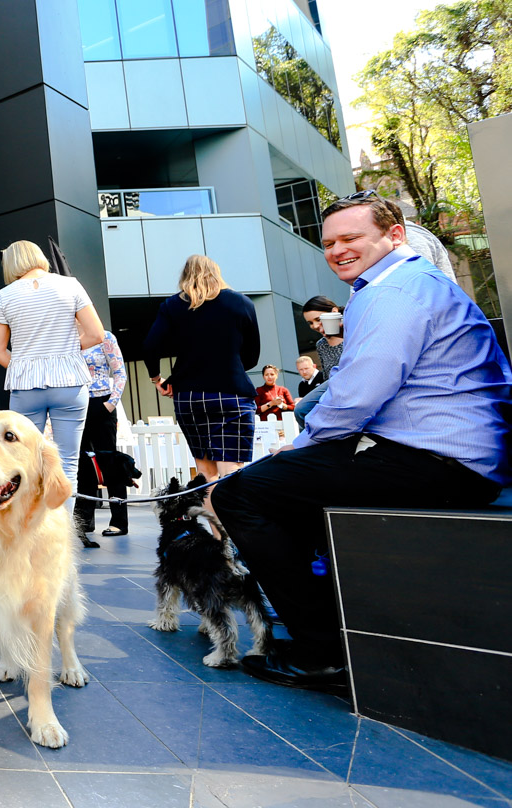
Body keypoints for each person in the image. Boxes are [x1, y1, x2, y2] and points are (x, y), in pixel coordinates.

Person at [213, 191, 511, 694]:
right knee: (281, 491)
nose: (336, 250)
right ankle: (337, 625)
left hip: (443, 462)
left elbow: (358, 393)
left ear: (394, 235)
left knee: (237, 493)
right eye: (328, 242)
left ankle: (321, 653)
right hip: (447, 455)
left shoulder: (395, 291)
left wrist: (303, 442)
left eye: (351, 238)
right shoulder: (403, 285)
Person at [143, 255, 260, 497]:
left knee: (206, 475)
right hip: (232, 393)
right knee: (233, 470)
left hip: (189, 396)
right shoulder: (241, 303)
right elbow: (252, 356)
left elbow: (150, 347)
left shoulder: (172, 305)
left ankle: (217, 535)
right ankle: (235, 531)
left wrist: (157, 379)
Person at [0, 240, 104, 482]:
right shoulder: (70, 285)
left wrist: (24, 365)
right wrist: (68, 350)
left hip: (26, 386)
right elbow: (96, 334)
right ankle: (63, 521)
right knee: (68, 465)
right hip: (70, 382)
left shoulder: (5, 295)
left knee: (23, 463)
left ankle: (29, 521)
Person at [74, 329, 127, 545]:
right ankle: (85, 520)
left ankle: (119, 521)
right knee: (82, 465)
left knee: (109, 462)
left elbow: (120, 373)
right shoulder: (67, 338)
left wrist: (111, 403)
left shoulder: (105, 337)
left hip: (102, 401)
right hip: (76, 404)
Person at [295, 295, 344, 424]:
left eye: (318, 319)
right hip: (333, 391)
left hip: (351, 386)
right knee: (303, 411)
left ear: (334, 312)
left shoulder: (353, 332)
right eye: (310, 323)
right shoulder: (321, 344)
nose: (315, 326)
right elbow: (327, 376)